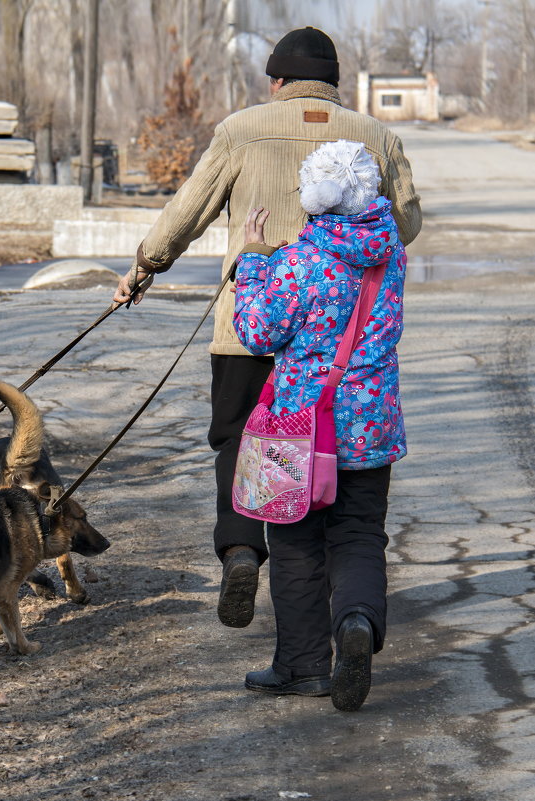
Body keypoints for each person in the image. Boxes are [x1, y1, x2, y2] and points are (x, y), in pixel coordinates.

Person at [112, 27, 421, 630]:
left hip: (250, 323)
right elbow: (404, 223)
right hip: (342, 337)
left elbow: (189, 210)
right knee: (336, 466)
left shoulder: (241, 129)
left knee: (237, 438)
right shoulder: (376, 136)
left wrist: (144, 267)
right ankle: (342, 600)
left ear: (275, 81)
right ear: (334, 84)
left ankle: (241, 550)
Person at [233, 139, 406, 711]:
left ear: (315, 197)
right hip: (370, 428)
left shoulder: (299, 263)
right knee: (359, 535)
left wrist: (254, 256)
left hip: (298, 429)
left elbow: (256, 333)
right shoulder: (391, 252)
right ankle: (355, 621)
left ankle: (303, 666)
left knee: (294, 543)